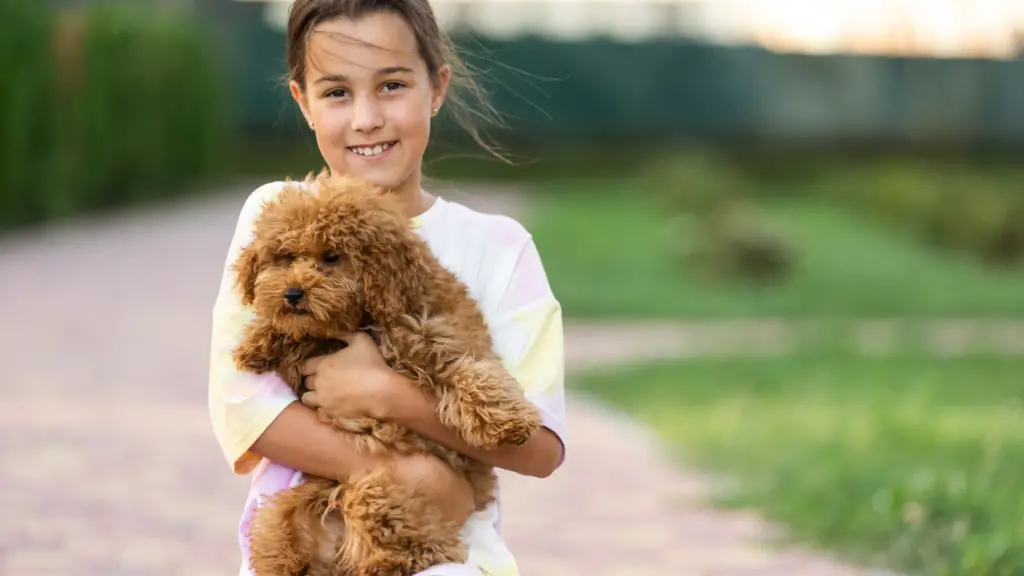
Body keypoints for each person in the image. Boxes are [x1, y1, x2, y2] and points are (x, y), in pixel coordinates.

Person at [206, 1, 567, 575]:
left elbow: (542, 447)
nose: (367, 118)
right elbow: (243, 406)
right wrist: (415, 479)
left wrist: (389, 396)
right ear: (303, 102)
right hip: (306, 549)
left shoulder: (499, 247)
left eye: (392, 85)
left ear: (436, 87)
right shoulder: (276, 213)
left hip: (453, 561)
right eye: (337, 93)